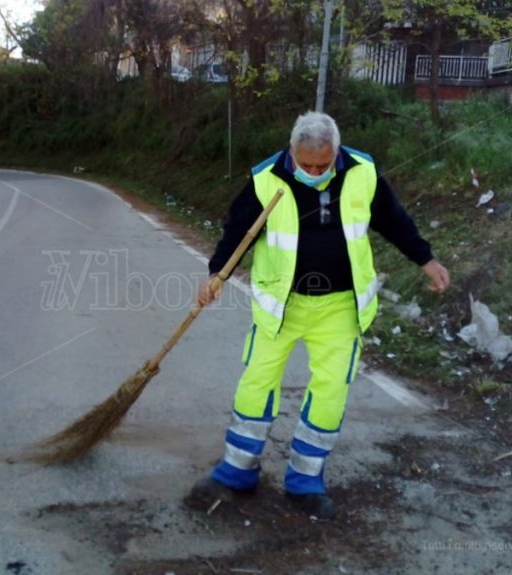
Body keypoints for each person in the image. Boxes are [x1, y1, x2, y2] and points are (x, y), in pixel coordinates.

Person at [188, 111, 449, 519]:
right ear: (291, 151)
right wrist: (216, 273)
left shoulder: (363, 173)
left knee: (330, 391)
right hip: (281, 307)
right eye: (305, 164)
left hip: (340, 307)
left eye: (321, 165)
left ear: (336, 152)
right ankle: (237, 470)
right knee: (256, 383)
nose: (312, 171)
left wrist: (426, 259)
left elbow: (395, 222)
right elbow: (237, 230)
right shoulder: (266, 179)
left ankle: (306, 480)